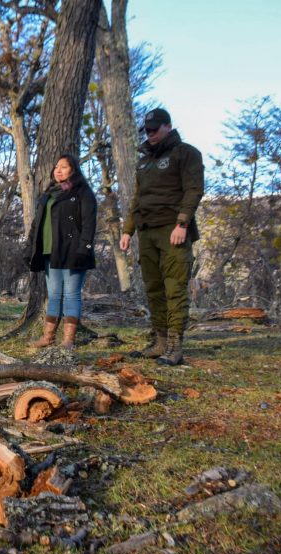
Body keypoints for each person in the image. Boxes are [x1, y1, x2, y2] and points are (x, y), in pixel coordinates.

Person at [120, 107, 204, 365]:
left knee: (174, 287)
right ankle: (159, 341)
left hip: (173, 230)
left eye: (156, 129)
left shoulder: (186, 153)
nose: (151, 134)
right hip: (146, 231)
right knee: (153, 288)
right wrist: (128, 230)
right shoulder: (143, 161)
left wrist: (182, 223)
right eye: (147, 130)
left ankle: (175, 346)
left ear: (168, 126)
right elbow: (137, 198)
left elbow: (193, 190)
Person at [27, 154, 97, 349]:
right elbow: (36, 224)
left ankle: (68, 340)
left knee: (71, 294)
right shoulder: (49, 193)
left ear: (73, 171)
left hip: (73, 251)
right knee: (54, 294)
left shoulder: (83, 192)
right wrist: (29, 247)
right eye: (56, 166)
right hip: (51, 251)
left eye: (64, 167)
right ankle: (48, 337)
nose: (58, 170)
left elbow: (89, 223)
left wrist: (84, 248)